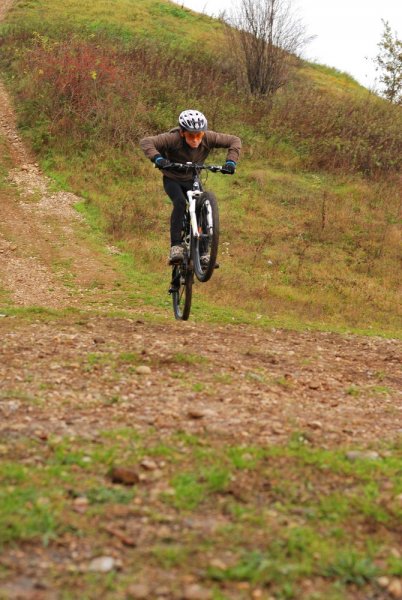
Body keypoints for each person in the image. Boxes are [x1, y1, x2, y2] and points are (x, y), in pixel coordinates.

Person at [140, 109, 241, 264]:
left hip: (192, 177)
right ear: (182, 132)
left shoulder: (209, 138)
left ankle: (204, 253)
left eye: (199, 135)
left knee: (203, 207)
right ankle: (176, 247)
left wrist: (231, 161)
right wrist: (158, 159)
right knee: (180, 203)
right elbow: (146, 142)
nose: (195, 140)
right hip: (172, 178)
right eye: (190, 136)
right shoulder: (173, 139)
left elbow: (235, 140)